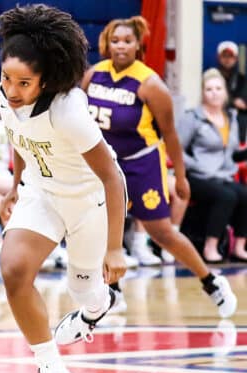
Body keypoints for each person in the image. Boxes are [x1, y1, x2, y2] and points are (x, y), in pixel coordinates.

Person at [0, 4, 127, 373]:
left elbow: (113, 178)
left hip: (89, 201)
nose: (12, 90)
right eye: (6, 78)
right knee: (14, 270)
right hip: (42, 193)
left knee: (83, 290)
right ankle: (52, 372)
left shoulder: (69, 111)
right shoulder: (3, 97)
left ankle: (95, 306)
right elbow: (19, 138)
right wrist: (15, 186)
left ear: (46, 80)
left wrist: (115, 248)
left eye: (24, 83)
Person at [82, 16, 237, 318]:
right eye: (115, 41)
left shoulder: (151, 83)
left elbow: (171, 134)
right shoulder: (93, 75)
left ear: (138, 44)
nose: (121, 46)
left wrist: (180, 176)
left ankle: (211, 281)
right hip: (108, 164)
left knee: (161, 232)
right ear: (106, 44)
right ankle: (113, 292)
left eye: (127, 41)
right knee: (101, 227)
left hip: (143, 164)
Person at [0, 73, 69, 270]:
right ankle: (40, 250)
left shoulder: (7, 119)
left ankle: (42, 250)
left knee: (25, 199)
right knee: (25, 199)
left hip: (2, 175)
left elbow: (18, 151)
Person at [179, 68, 247, 262]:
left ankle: (240, 246)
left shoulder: (231, 118)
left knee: (244, 194)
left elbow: (231, 152)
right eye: (209, 89)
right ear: (203, 93)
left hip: (223, 175)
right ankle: (211, 247)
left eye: (218, 88)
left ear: (225, 92)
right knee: (226, 197)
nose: (214, 92)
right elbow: (176, 149)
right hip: (198, 176)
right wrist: (196, 165)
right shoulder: (193, 117)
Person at [216, 40, 247, 143]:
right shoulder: (213, 77)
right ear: (219, 58)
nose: (227, 60)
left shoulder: (242, 79)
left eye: (230, 56)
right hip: (217, 123)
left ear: (236, 59)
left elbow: (243, 104)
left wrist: (230, 101)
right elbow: (214, 100)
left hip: (239, 126)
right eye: (224, 56)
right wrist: (233, 102)